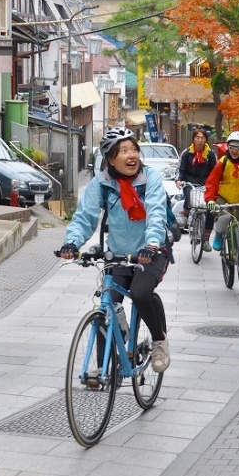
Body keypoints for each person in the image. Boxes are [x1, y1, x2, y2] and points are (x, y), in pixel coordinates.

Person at [59, 127, 171, 373]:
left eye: (134, 149)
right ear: (110, 159)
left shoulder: (149, 178)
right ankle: (104, 368)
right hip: (118, 253)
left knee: (140, 293)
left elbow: (155, 213)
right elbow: (85, 216)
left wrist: (152, 244)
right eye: (124, 151)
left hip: (151, 252)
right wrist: (72, 243)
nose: (132, 155)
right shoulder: (102, 182)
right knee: (107, 302)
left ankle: (159, 340)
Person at [204, 131, 239, 280]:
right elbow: (212, 182)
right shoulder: (222, 162)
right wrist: (210, 199)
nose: (235, 150)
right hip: (224, 199)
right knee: (223, 218)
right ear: (227, 147)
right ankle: (219, 235)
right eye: (232, 147)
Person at [175, 127, 217, 251]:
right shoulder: (187, 153)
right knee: (189, 192)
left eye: (202, 138)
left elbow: (215, 172)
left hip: (206, 185)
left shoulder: (210, 154)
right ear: (193, 139)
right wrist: (178, 180)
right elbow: (180, 169)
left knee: (210, 210)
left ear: (206, 140)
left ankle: (206, 240)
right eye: (197, 137)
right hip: (190, 183)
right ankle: (185, 214)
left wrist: (215, 185)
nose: (199, 140)